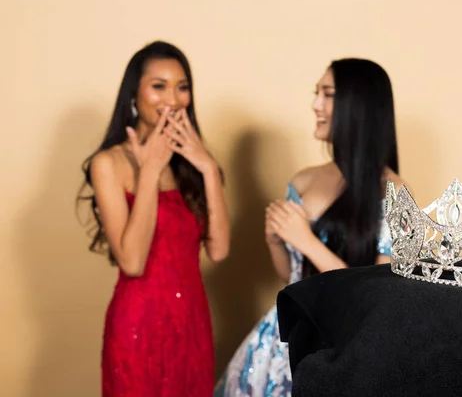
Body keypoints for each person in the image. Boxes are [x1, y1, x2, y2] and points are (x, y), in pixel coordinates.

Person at [215, 58, 406, 396]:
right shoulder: (303, 180)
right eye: (316, 93)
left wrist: (305, 240)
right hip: (278, 342)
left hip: (335, 345)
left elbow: (378, 296)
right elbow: (291, 279)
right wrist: (276, 241)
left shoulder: (393, 191)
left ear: (357, 105)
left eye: (327, 94)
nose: (315, 104)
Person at [77, 40, 230, 397]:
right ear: (135, 94)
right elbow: (131, 261)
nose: (172, 100)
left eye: (182, 87)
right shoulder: (109, 163)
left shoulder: (193, 164)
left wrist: (207, 167)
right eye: (158, 86)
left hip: (192, 324)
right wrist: (149, 171)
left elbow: (219, 250)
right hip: (137, 326)